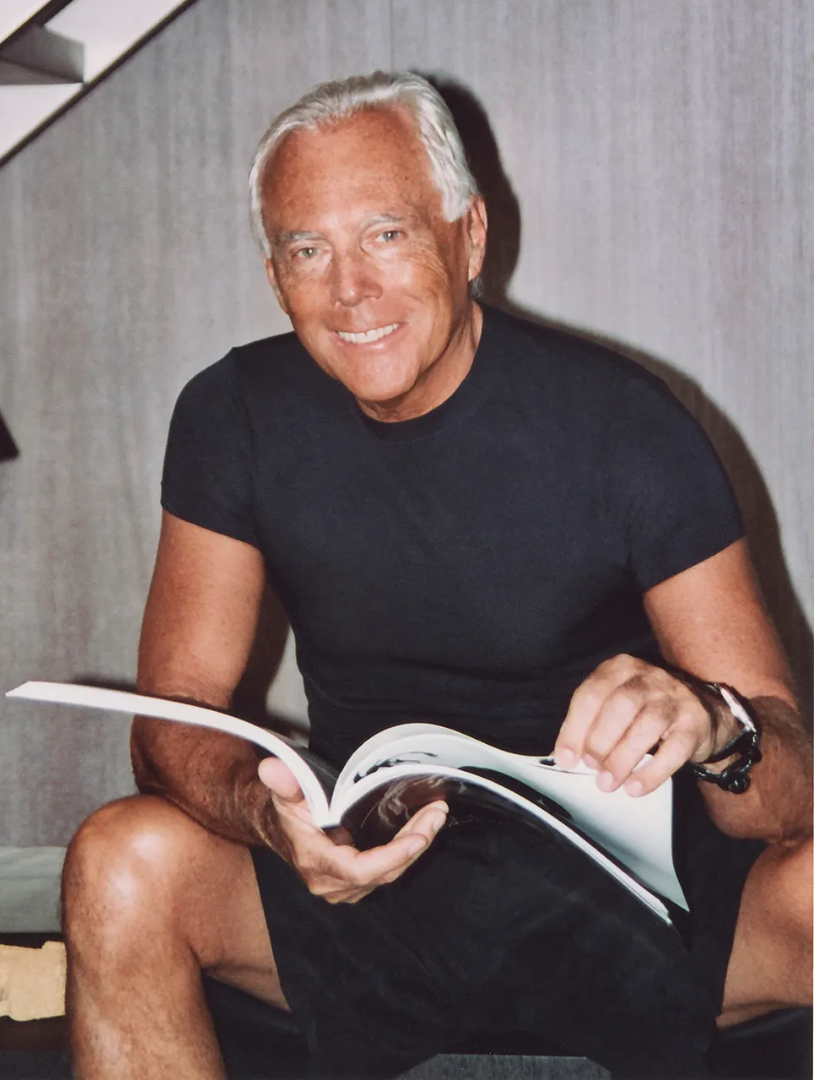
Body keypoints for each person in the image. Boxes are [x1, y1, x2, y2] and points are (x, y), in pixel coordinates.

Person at [62, 72, 812, 1079]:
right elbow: (174, 720)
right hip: (372, 887)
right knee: (120, 859)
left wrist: (714, 725)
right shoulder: (232, 415)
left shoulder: (626, 426)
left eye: (385, 234)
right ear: (274, 272)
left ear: (469, 234)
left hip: (638, 905)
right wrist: (270, 822)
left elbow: (791, 793)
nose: (348, 291)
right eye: (306, 249)